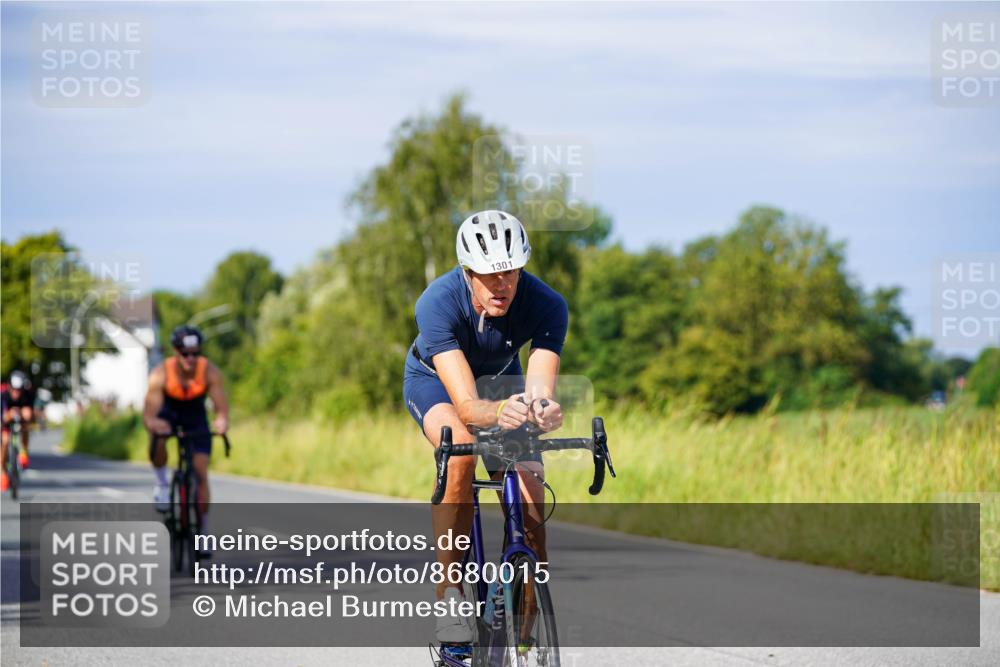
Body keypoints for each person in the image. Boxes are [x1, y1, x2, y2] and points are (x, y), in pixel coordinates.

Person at [403, 210, 567, 644]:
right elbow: (469, 407)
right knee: (458, 446)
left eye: (511, 272)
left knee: (532, 495)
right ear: (467, 271)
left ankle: (525, 641)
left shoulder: (547, 304)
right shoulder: (437, 302)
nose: (502, 285)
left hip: (500, 382)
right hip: (437, 382)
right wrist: (499, 413)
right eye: (491, 275)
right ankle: (451, 592)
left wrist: (544, 410)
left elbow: (539, 390)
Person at [143, 325, 229, 521]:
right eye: (185, 354)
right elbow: (149, 415)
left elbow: (221, 408)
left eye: (195, 353)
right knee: (158, 437)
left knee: (201, 473)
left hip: (195, 414)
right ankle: (162, 484)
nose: (190, 358)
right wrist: (155, 424)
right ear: (176, 352)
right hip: (169, 411)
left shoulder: (210, 372)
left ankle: (203, 529)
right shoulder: (160, 374)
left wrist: (222, 420)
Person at [2, 371, 36, 490]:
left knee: (26, 419)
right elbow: (2, 417)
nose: (17, 392)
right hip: (6, 420)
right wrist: (10, 415)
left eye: (19, 390)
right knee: (5, 442)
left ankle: (23, 452)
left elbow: (31, 416)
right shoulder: (3, 394)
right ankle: (3, 472)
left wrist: (22, 414)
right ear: (9, 387)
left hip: (21, 419)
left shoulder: (28, 394)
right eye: (14, 389)